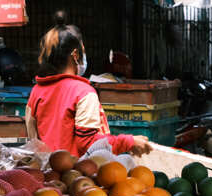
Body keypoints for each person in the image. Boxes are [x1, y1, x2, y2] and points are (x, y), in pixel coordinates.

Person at [25, 12, 151, 157]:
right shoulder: (84, 92)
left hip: (46, 169)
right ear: (75, 55)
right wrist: (128, 142)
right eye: (82, 52)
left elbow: (33, 140)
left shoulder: (37, 91)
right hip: (76, 170)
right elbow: (89, 143)